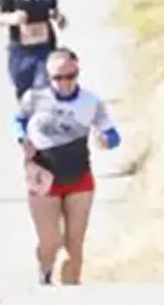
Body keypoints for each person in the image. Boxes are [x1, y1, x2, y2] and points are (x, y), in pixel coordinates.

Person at [14, 47, 121, 285]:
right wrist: (22, 139)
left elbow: (112, 133)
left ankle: (71, 295)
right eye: (57, 78)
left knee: (75, 243)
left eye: (70, 76)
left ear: (77, 72)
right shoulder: (34, 98)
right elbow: (18, 122)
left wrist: (107, 140)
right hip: (43, 175)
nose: (64, 83)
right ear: (48, 77)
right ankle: (44, 271)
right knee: (51, 241)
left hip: (79, 177)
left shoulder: (90, 101)